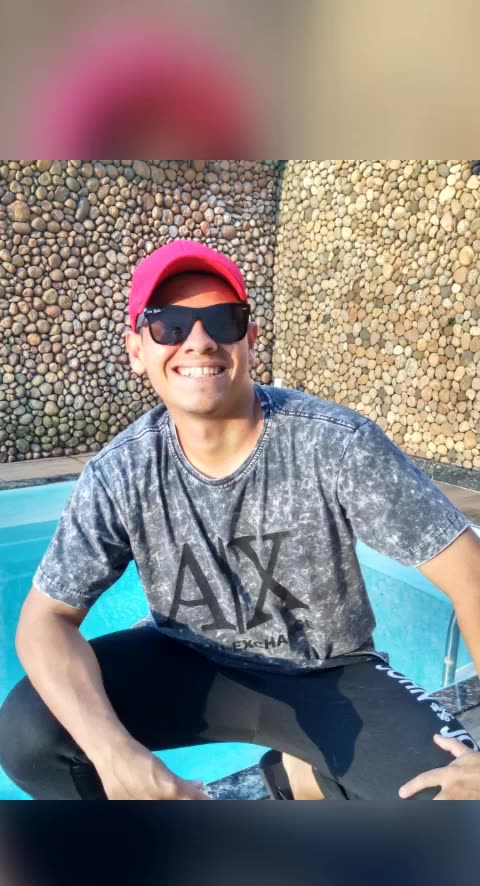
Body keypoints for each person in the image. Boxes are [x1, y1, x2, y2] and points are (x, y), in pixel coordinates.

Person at [1, 238, 480, 801]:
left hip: (329, 673)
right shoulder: (122, 472)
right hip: (189, 666)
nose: (199, 340)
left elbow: (468, 570)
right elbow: (44, 621)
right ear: (136, 350)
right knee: (29, 734)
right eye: (169, 325)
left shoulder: (335, 443)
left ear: (250, 338)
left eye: (223, 321)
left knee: (454, 795)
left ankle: (298, 774)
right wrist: (116, 755)